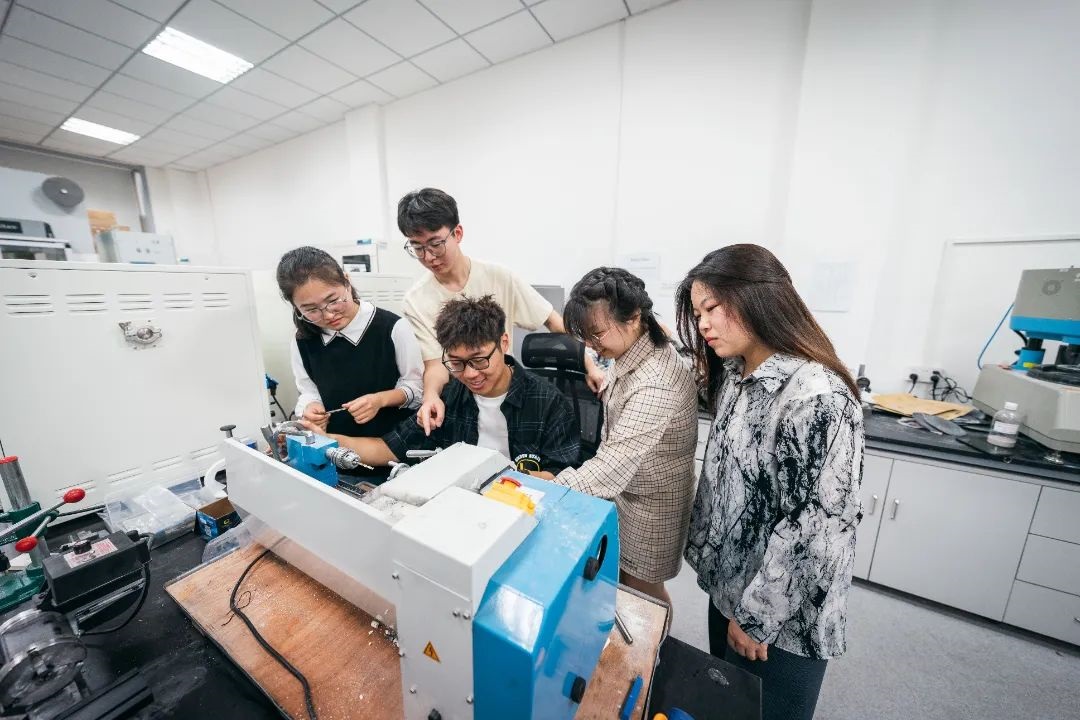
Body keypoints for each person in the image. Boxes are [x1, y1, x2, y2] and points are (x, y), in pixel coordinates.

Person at [675, 244, 864, 720]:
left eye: (712, 308)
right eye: (697, 314)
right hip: (732, 588)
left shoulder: (816, 396)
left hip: (781, 614)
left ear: (758, 298)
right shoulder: (738, 374)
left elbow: (816, 529)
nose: (703, 325)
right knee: (727, 707)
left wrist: (757, 618)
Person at [396, 188, 605, 435]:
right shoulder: (416, 300)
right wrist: (431, 397)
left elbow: (554, 322)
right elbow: (435, 364)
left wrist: (589, 364)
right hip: (462, 403)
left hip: (508, 395)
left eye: (435, 244)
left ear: (457, 233)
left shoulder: (499, 277)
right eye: (417, 248)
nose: (429, 257)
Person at [305, 295, 580, 476]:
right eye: (456, 362)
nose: (470, 374)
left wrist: (496, 477)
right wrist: (324, 439)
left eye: (479, 360)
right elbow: (387, 449)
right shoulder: (448, 397)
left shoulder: (548, 401)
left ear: (504, 343)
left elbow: (562, 476)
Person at [551, 267, 697, 607]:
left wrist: (551, 491)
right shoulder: (632, 347)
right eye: (585, 336)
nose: (591, 345)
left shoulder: (655, 382)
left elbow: (611, 466)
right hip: (630, 489)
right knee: (623, 581)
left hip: (653, 504)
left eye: (596, 334)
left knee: (644, 592)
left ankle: (656, 643)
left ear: (633, 318)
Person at [276, 246, 423, 481]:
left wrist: (380, 400)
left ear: (346, 281)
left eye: (333, 300)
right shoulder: (302, 340)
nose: (328, 315)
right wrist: (311, 407)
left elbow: (416, 389)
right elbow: (309, 390)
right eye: (311, 310)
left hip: (393, 453)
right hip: (335, 454)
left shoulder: (392, 328)